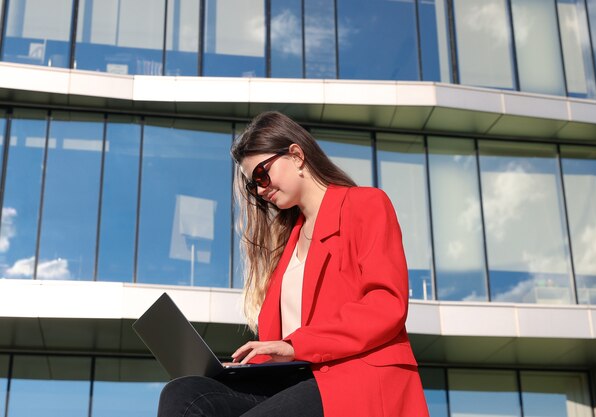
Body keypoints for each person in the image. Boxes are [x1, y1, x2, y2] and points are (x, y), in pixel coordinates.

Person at [157, 111, 430, 417]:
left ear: (297, 155)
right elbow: (279, 346)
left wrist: (295, 345)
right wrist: (236, 368)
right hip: (293, 383)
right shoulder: (287, 245)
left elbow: (386, 304)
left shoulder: (365, 205)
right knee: (186, 394)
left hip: (350, 377)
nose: (260, 190)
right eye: (252, 186)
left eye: (261, 175)